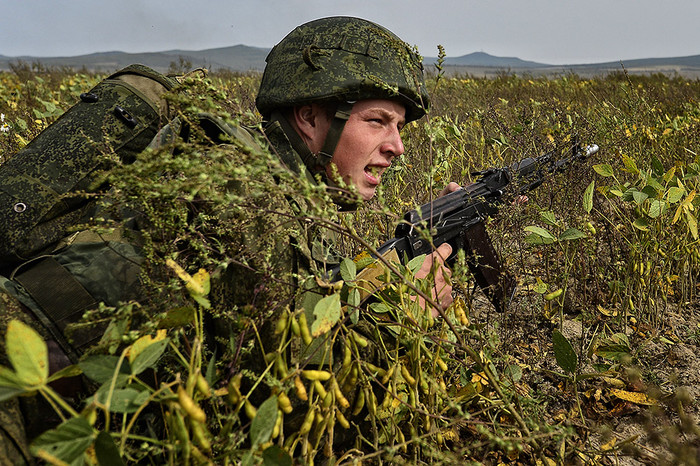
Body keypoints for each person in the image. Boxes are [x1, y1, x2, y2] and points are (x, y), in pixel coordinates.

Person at [0, 16, 456, 463]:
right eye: (377, 121)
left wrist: (407, 250)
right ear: (309, 117)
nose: (397, 145)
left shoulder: (274, 185)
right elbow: (291, 400)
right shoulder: (248, 194)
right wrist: (407, 317)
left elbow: (302, 298)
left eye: (399, 127)